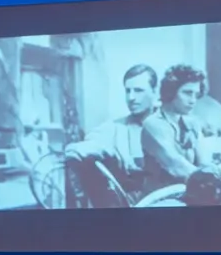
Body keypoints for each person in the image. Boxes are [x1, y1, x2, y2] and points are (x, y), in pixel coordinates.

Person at [65, 63, 157, 207]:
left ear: (155, 92)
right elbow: (76, 150)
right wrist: (112, 155)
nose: (131, 97)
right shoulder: (115, 128)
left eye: (138, 91)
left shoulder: (172, 124)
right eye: (128, 91)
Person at [141, 64, 206, 193]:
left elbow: (205, 163)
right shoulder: (153, 124)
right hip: (161, 199)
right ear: (171, 91)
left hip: (188, 194)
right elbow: (176, 166)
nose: (193, 100)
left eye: (196, 94)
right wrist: (210, 180)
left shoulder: (192, 123)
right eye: (187, 93)